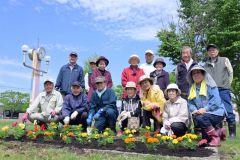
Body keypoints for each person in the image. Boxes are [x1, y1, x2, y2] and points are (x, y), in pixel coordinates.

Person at [187, 65, 226, 146]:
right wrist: (194, 109)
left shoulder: (211, 85)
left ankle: (215, 137)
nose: (196, 75)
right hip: (202, 113)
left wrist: (205, 109)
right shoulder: (192, 88)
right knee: (199, 117)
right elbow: (190, 102)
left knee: (201, 118)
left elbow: (216, 101)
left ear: (203, 74)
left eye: (198, 72)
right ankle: (216, 133)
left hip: (217, 112)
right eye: (193, 73)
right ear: (191, 76)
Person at [204, 44, 236, 139]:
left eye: (214, 49)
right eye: (210, 50)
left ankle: (232, 134)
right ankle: (218, 132)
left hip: (223, 90)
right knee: (214, 111)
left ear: (217, 51)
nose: (212, 51)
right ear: (208, 53)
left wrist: (227, 85)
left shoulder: (224, 60)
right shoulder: (205, 64)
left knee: (228, 110)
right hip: (212, 92)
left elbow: (230, 73)